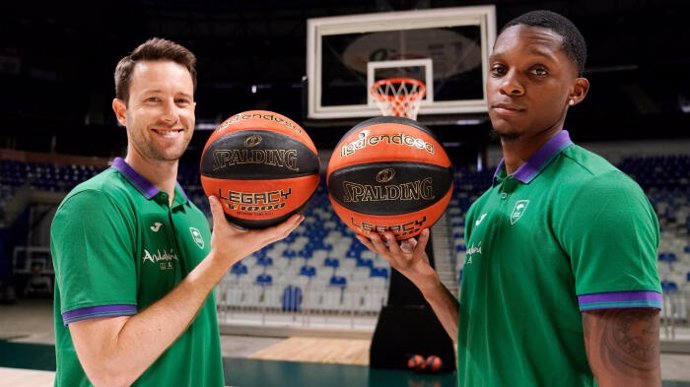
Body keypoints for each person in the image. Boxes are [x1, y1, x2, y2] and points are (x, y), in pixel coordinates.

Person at [358, 10, 662, 387]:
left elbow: (631, 380)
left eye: (537, 71)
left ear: (576, 90)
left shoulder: (601, 195)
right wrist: (425, 280)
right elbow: (481, 345)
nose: (510, 85)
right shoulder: (483, 208)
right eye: (499, 69)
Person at [50, 38, 303, 386]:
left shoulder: (193, 216)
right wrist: (218, 261)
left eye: (181, 101)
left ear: (194, 110)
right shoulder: (95, 205)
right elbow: (110, 370)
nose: (171, 114)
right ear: (121, 111)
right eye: (153, 100)